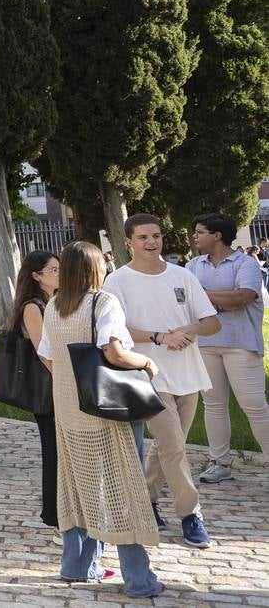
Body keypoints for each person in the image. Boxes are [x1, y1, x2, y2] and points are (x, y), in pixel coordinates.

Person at [36, 241, 164, 598]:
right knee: (124, 487)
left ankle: (77, 565)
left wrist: (70, 380)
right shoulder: (103, 302)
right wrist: (146, 362)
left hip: (69, 408)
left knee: (78, 484)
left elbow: (46, 354)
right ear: (95, 267)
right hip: (108, 410)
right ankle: (139, 580)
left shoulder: (54, 305)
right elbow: (114, 351)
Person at [103, 214, 220, 548]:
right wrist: (159, 337)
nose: (151, 242)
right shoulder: (117, 282)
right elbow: (115, 331)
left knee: (169, 446)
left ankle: (147, 500)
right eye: (143, 237)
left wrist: (190, 329)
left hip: (188, 374)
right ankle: (191, 514)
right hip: (148, 375)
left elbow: (212, 323)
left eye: (155, 236)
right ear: (128, 242)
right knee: (174, 447)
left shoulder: (182, 276)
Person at [187, 213, 269, 484]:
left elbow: (241, 298)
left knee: (254, 406)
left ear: (217, 235)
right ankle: (219, 462)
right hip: (205, 344)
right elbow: (183, 300)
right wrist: (219, 297)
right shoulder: (194, 265)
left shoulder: (245, 263)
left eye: (200, 232)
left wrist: (201, 294)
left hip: (240, 344)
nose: (195, 237)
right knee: (213, 405)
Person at [3, 250, 60, 531]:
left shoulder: (55, 302)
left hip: (59, 385)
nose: (60, 274)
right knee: (54, 452)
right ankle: (54, 513)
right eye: (54, 270)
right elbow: (43, 352)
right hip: (48, 388)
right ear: (36, 276)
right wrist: (66, 380)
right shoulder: (33, 307)